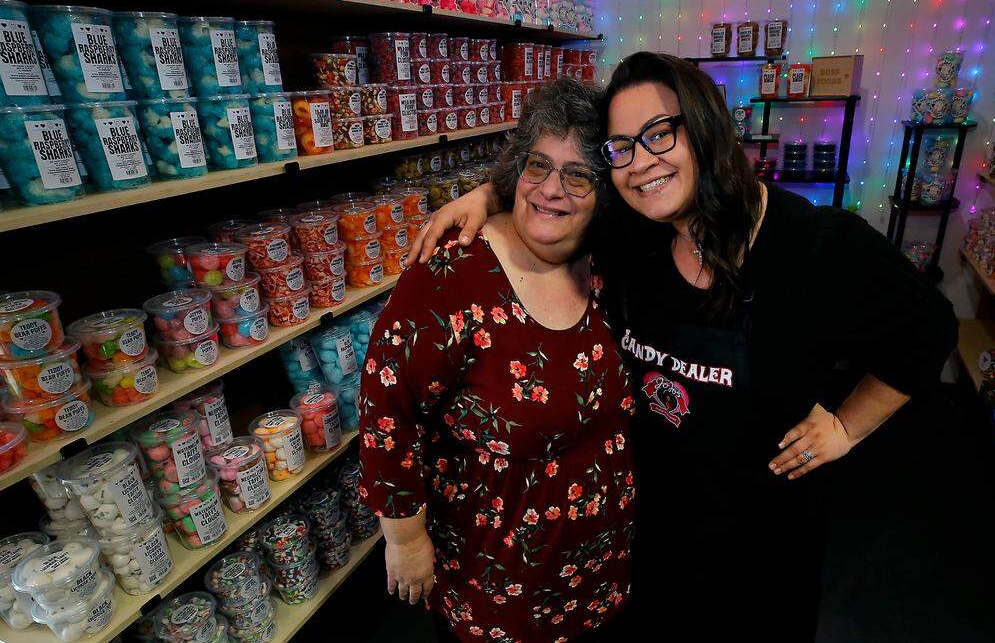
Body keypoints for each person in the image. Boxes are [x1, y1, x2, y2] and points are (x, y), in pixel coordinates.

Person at [409, 52, 959, 639]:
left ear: (703, 127)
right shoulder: (634, 233)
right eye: (622, 147)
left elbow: (928, 326)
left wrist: (849, 427)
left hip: (760, 555)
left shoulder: (814, 245)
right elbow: (555, 192)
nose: (640, 163)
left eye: (659, 134)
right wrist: (487, 196)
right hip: (650, 540)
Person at [359, 78, 636, 643]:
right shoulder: (449, 277)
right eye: (537, 166)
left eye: (579, 174)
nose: (552, 189)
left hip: (598, 574)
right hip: (498, 590)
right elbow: (386, 412)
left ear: (607, 192)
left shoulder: (608, 260)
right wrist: (405, 540)